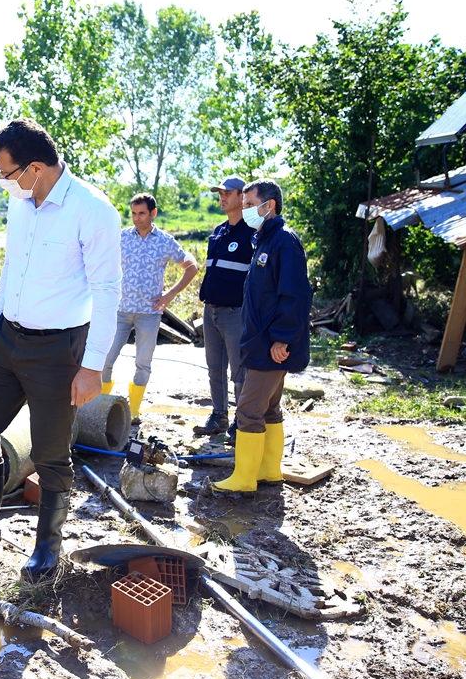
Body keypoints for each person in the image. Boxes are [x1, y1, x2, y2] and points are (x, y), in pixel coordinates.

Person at [0, 118, 121, 581]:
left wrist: (92, 366)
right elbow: (12, 267)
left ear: (36, 167)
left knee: (52, 452)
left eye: (8, 174)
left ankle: (47, 549)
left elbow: (108, 290)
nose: (5, 184)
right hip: (9, 339)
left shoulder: (93, 210)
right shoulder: (22, 206)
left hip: (59, 349)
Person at [213, 178, 312, 494]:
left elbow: (294, 295)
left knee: (248, 410)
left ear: (269, 206)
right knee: (269, 408)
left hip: (271, 344)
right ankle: (269, 470)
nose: (245, 210)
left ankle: (243, 478)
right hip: (260, 340)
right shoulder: (265, 241)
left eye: (249, 204)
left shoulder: (283, 242)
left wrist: (282, 339)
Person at [100, 193, 197, 422]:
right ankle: (101, 407)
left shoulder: (164, 241)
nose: (136, 218)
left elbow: (191, 267)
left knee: (143, 363)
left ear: (153, 213)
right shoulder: (121, 237)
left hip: (149, 313)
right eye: (133, 213)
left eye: (141, 213)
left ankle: (133, 410)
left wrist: (170, 294)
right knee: (105, 358)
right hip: (120, 310)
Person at [193, 176, 255, 438]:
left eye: (228, 193)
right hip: (212, 311)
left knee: (239, 372)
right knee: (214, 368)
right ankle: (219, 416)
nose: (222, 197)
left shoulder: (252, 232)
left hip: (235, 313)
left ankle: (241, 423)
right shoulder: (218, 232)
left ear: (242, 197)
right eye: (220, 193)